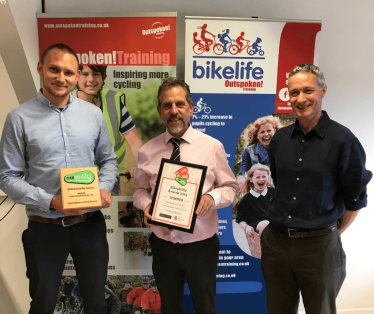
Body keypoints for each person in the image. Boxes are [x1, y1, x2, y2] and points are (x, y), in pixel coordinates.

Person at [0, 43, 117, 314]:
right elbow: (7, 177)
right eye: (54, 69)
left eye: (68, 72)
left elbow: (108, 161)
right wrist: (51, 200)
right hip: (45, 229)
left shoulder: (93, 115)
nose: (61, 78)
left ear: (77, 76)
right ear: (41, 68)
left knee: (97, 304)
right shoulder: (18, 119)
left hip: (90, 226)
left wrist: (103, 187)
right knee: (42, 304)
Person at [261, 64, 372, 314]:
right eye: (294, 92)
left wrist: (326, 232)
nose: (300, 99)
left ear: (323, 90)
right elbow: (280, 183)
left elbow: (354, 199)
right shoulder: (279, 140)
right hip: (276, 244)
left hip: (320, 250)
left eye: (308, 90)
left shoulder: (344, 140)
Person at [133, 77, 238, 314]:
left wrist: (212, 199)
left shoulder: (212, 147)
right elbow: (139, 190)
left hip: (201, 245)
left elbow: (231, 187)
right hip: (163, 246)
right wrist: (148, 205)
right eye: (167, 105)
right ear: (160, 111)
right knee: (169, 308)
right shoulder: (147, 151)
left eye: (180, 104)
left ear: (191, 107)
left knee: (205, 307)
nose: (174, 111)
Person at [76, 65, 144, 192]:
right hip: (77, 178)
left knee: (109, 212)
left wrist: (143, 167)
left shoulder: (114, 101)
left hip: (109, 177)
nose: (91, 79)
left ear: (102, 78)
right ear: (76, 77)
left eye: (96, 74)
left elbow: (134, 141)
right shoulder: (65, 103)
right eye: (85, 74)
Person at [236, 164, 274, 258]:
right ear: (251, 179)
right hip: (257, 227)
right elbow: (241, 219)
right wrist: (246, 227)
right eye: (258, 177)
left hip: (274, 224)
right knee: (264, 224)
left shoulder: (274, 192)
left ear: (268, 178)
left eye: (264, 176)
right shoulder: (246, 200)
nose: (261, 179)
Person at [237, 115, 282, 188]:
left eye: (269, 130)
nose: (266, 134)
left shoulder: (284, 148)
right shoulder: (249, 151)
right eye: (262, 132)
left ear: (275, 132)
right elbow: (243, 173)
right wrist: (242, 182)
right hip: (258, 189)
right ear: (256, 136)